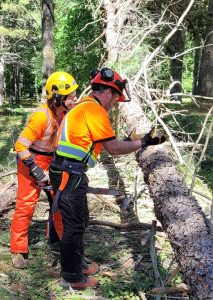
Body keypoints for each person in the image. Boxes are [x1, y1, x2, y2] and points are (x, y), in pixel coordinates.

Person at [49, 67, 164, 289]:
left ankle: (78, 265)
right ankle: (71, 277)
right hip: (68, 174)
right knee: (74, 226)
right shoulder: (94, 110)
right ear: (108, 93)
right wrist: (143, 143)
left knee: (80, 221)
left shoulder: (85, 105)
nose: (113, 104)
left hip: (69, 171)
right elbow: (112, 148)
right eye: (115, 98)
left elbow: (103, 140)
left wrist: (135, 139)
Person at [10, 71, 78, 269]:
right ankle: (18, 249)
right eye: (71, 95)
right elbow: (20, 145)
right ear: (57, 97)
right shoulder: (41, 117)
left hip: (53, 160)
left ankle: (61, 243)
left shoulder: (66, 114)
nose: (74, 98)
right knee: (26, 204)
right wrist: (35, 169)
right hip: (30, 158)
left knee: (59, 201)